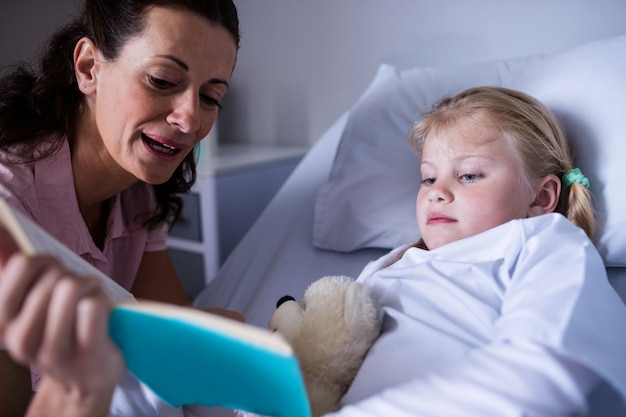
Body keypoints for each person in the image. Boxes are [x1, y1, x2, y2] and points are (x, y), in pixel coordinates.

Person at [0, 0, 241, 415]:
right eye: (163, 80)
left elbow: (165, 318)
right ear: (89, 68)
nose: (189, 120)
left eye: (210, 96)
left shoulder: (137, 193)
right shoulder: (10, 209)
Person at [325, 86, 626, 416]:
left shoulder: (546, 245)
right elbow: (328, 362)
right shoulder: (391, 265)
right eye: (428, 178)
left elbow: (536, 376)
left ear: (540, 198)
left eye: (468, 175)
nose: (437, 192)